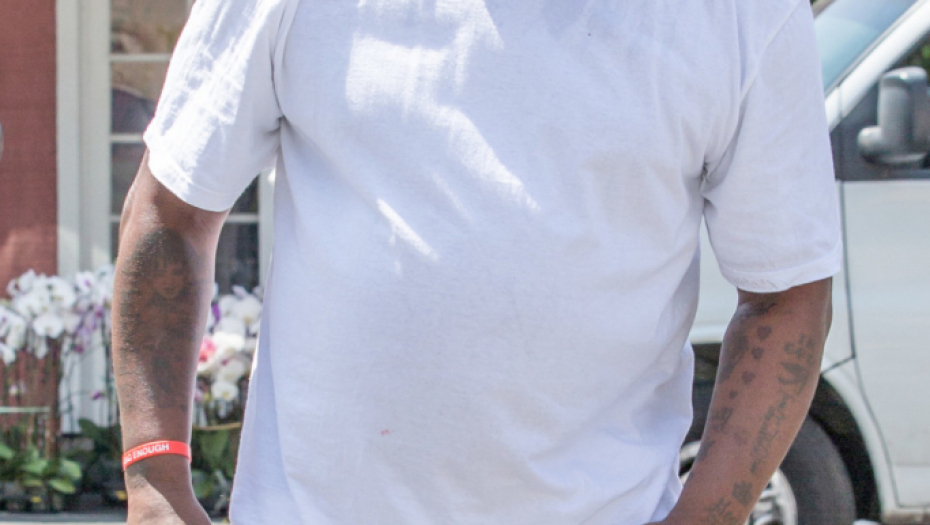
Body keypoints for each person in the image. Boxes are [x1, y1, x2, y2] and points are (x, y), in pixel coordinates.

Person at [112, 0, 842, 523]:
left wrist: (710, 514)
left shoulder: (738, 13)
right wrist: (154, 478)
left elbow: (786, 293)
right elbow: (171, 212)